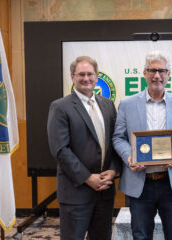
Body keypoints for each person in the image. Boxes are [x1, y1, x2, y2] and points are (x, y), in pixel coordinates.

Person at [112, 50, 172, 240]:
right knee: (140, 236)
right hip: (140, 183)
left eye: (162, 71)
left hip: (171, 183)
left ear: (169, 74)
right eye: (152, 70)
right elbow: (118, 138)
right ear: (144, 73)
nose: (157, 75)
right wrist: (129, 157)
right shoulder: (127, 104)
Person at [47, 56, 121, 240]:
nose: (86, 78)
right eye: (81, 74)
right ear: (72, 77)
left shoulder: (108, 105)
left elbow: (116, 141)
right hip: (75, 191)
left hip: (104, 191)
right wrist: (87, 178)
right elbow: (60, 149)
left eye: (90, 74)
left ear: (97, 77)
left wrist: (113, 170)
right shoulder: (60, 107)